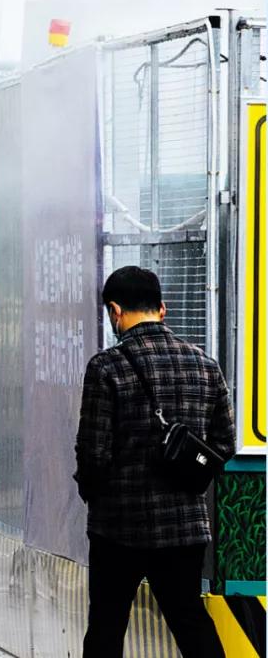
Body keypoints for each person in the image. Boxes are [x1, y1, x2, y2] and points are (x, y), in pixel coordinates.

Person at [75, 266, 235, 658]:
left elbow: (94, 452)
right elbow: (224, 443)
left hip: (118, 528)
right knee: (191, 622)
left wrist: (93, 493)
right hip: (183, 527)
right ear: (162, 308)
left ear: (115, 311)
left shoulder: (106, 367)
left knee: (107, 627)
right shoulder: (205, 365)